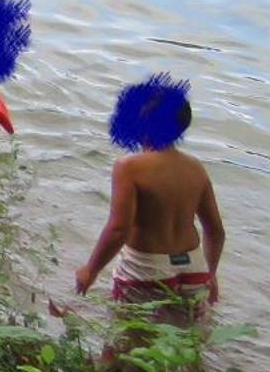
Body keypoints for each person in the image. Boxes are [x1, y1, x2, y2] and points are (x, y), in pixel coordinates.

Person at [75, 74, 223, 326]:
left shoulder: (129, 167)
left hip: (146, 269)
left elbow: (119, 229)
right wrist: (210, 274)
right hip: (194, 268)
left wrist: (91, 270)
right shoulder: (196, 168)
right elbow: (216, 231)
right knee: (184, 347)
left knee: (129, 343)